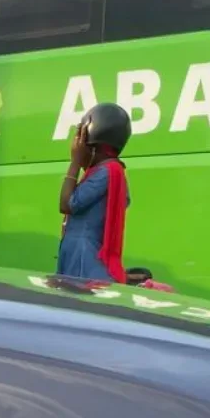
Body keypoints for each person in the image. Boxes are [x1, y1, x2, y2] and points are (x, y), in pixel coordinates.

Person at [58, 103, 132, 283]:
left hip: (85, 259)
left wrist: (75, 162)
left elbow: (66, 204)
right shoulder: (109, 171)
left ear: (93, 147)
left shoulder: (107, 172)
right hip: (80, 252)